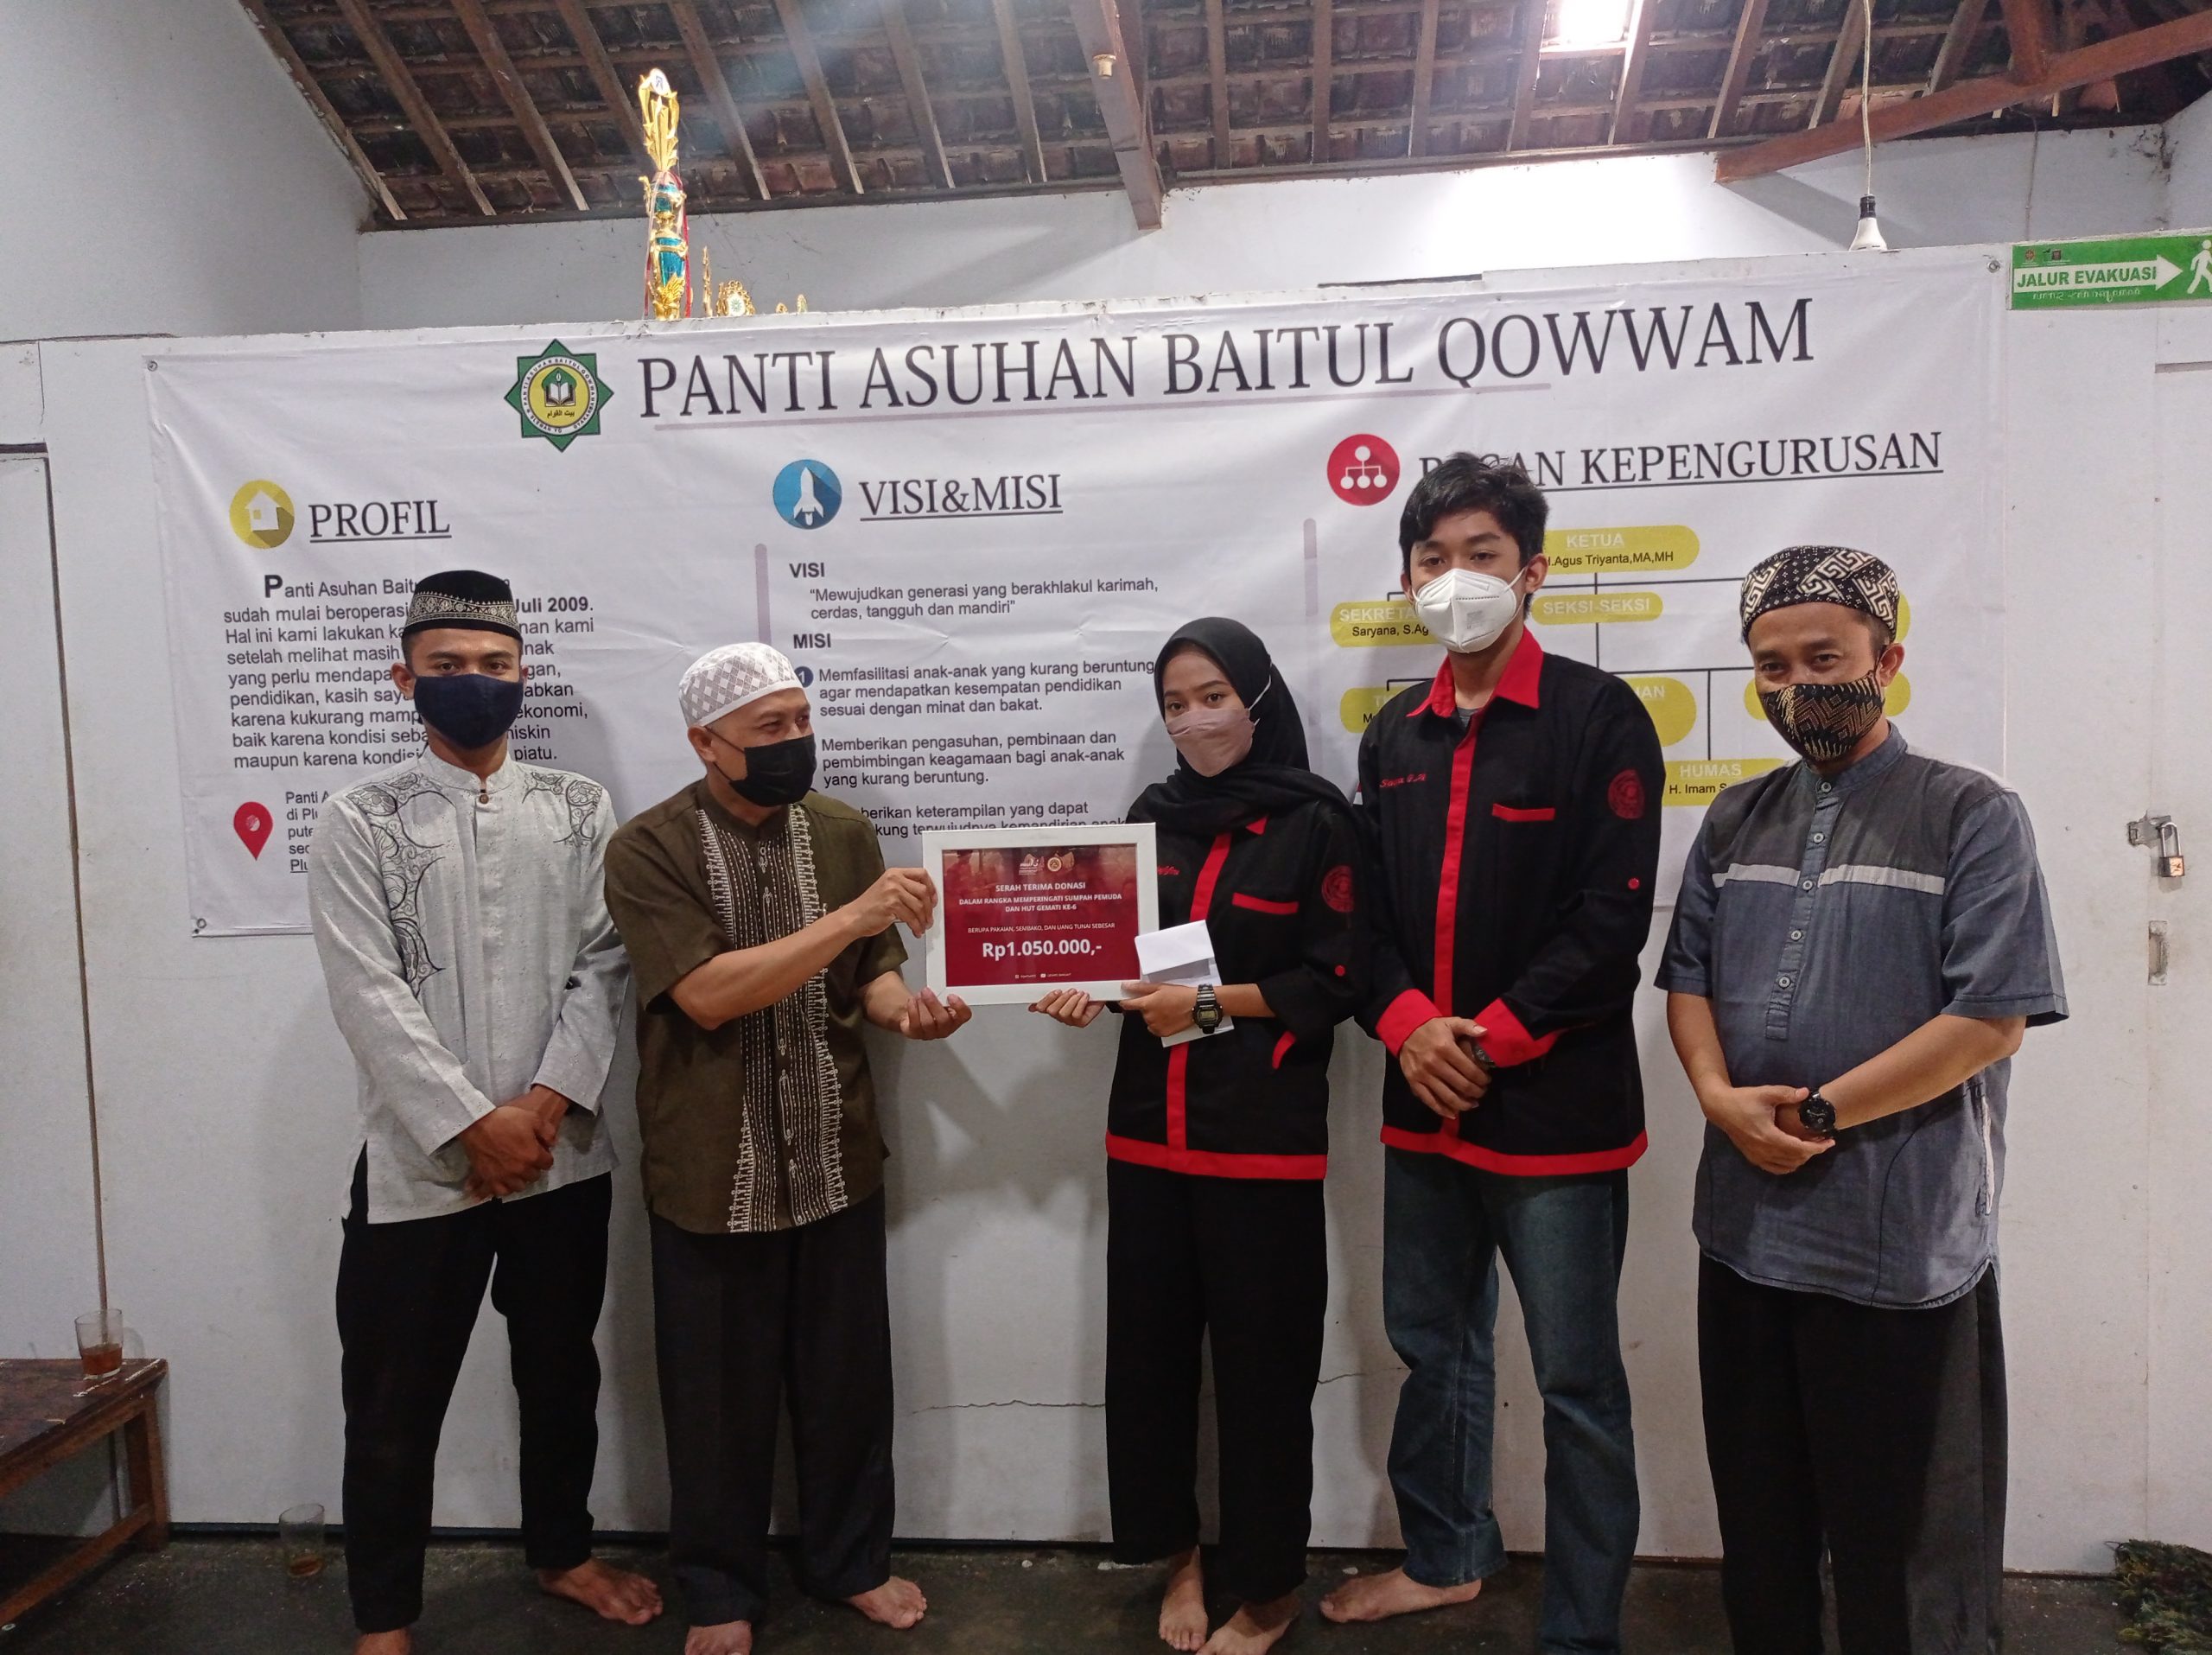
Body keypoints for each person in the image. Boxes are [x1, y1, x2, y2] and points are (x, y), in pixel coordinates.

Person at [1656, 546, 2067, 1654]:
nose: (1797, 686)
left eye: (1824, 658)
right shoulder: (1735, 818)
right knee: (1761, 1524)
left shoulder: (1970, 813)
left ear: (1885, 661)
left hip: (1897, 1240)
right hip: (1744, 1230)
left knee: (1901, 1547)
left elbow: (1991, 1017)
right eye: (1771, 666)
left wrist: (1820, 1114)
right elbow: (1686, 980)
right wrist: (1716, 1097)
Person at [1322, 455, 1662, 1653]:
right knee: (1435, 1347)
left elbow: (1611, 919)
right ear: (1406, 577)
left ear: (1533, 571)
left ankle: (1582, 1629)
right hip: (1424, 1099)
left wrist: (1495, 1037)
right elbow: (1361, 919)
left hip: (1556, 1109)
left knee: (1577, 1380)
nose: (1455, 578)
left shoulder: (1596, 717)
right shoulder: (1392, 736)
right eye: (1433, 558)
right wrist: (1408, 1024)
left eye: (1481, 554)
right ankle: (1446, 1555)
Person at [308, 570, 662, 1655]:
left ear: (523, 676)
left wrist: (544, 1103)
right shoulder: (358, 816)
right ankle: (384, 1617)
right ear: (403, 677)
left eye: (495, 664)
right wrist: (474, 1125)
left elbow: (606, 963)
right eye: (449, 665)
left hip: (561, 1154)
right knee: (392, 1399)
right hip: (423, 1165)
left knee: (559, 1371)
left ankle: (563, 1552)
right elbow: (367, 991)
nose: (475, 681)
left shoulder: (579, 807)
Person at [601, 642, 972, 1655]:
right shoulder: (647, 848)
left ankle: (852, 1562)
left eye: (802, 720)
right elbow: (706, 993)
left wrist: (906, 1014)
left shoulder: (842, 830)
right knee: (714, 1398)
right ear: (705, 742)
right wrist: (851, 915)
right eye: (769, 728)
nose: (795, 741)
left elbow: (872, 972)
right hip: (711, 1170)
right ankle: (719, 1587)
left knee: (846, 1384)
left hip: (833, 1153)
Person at [1032, 619, 1362, 1655]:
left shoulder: (1318, 823)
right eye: (1174, 703)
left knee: (1265, 1379)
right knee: (1148, 1368)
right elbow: (1132, 959)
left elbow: (1336, 981)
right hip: (1147, 1139)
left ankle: (1265, 1591)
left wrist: (1211, 1009)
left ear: (1257, 698)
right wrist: (1087, 986)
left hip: (1258, 1142)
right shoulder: (1150, 819)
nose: (1193, 719)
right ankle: (1176, 1556)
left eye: (1212, 696)